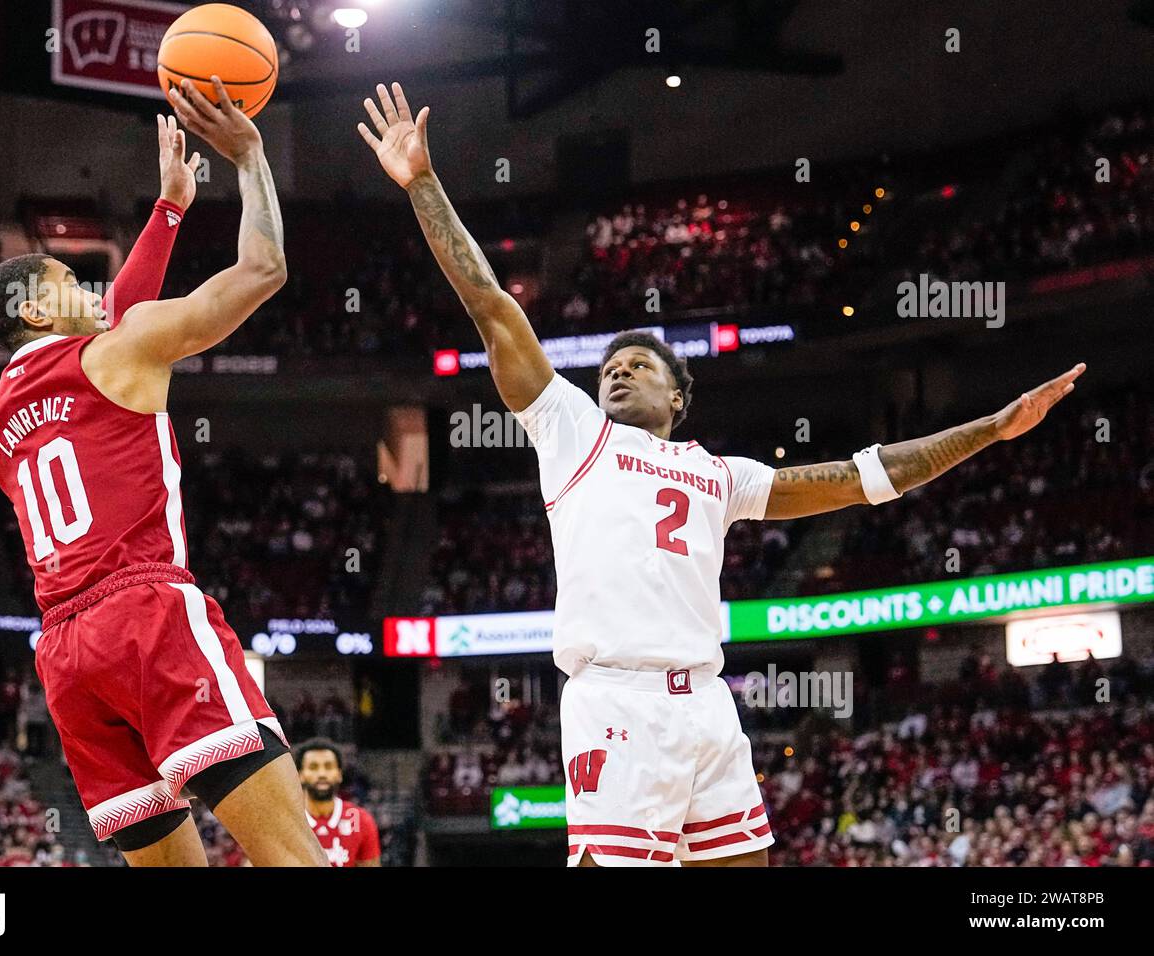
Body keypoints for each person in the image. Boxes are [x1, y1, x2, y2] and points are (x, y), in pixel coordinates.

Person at [357, 81, 1087, 867]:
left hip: (707, 702)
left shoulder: (719, 473)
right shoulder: (571, 429)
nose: (616, 374)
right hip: (617, 703)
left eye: (637, 365)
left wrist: (993, 428)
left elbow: (860, 476)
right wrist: (424, 184)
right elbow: (490, 302)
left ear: (679, 394)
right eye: (608, 366)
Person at [0, 77, 326, 867]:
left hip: (65, 656)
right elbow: (262, 269)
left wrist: (170, 209)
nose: (98, 295)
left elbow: (116, 328)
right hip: (146, 617)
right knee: (295, 859)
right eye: (74, 285)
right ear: (36, 310)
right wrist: (251, 156)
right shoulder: (118, 350)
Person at [296, 740, 381, 867]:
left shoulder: (360, 820)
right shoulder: (287, 819)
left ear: (339, 774)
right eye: (313, 767)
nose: (322, 774)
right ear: (300, 774)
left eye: (328, 766)